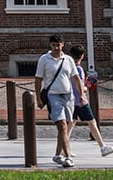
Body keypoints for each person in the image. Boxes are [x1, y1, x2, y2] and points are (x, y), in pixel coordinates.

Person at [36, 34, 80, 167]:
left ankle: (57, 154)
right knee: (61, 125)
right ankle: (68, 156)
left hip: (68, 96)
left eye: (58, 44)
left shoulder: (68, 60)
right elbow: (38, 79)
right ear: (50, 45)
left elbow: (75, 77)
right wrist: (38, 97)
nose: (56, 47)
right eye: (54, 45)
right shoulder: (44, 59)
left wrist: (81, 94)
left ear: (62, 44)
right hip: (53, 96)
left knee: (65, 126)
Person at [71, 46, 113, 157]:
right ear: (82, 55)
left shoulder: (69, 67)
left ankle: (63, 148)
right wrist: (86, 88)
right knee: (92, 122)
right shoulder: (79, 69)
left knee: (70, 124)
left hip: (71, 100)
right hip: (81, 101)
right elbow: (79, 86)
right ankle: (102, 147)